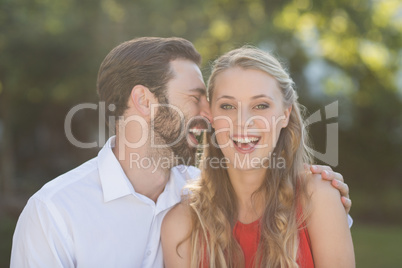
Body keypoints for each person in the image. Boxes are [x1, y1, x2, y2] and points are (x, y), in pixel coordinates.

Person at [11, 37, 351, 268]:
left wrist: (326, 192)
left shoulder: (201, 190)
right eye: (197, 98)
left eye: (259, 105)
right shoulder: (54, 214)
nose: (211, 114)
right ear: (145, 101)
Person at [161, 47, 355, 267]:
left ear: (285, 115)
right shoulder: (181, 224)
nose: (243, 121)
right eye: (228, 106)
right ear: (212, 116)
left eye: (261, 105)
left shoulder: (318, 197)